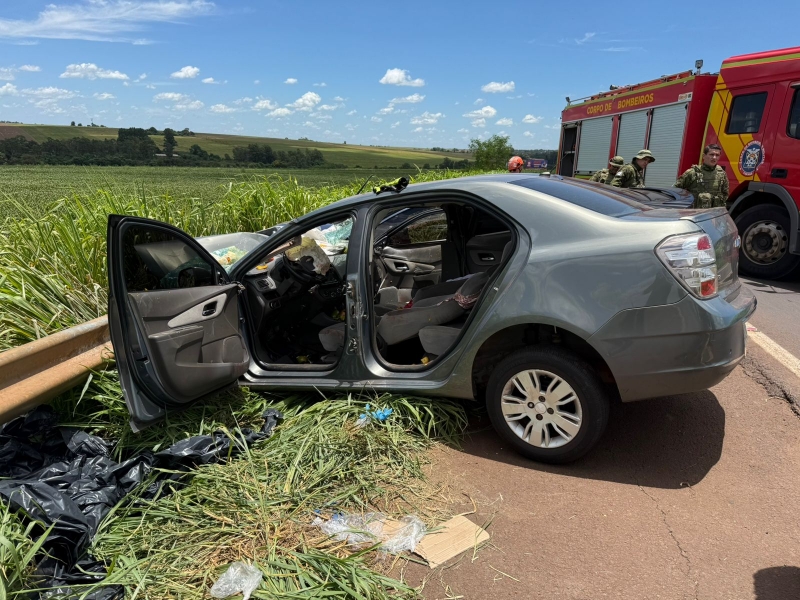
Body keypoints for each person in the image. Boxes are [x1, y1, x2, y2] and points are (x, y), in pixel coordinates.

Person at [674, 144, 729, 208]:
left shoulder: (722, 174)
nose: (714, 157)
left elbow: (725, 194)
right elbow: (675, 190)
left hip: (713, 212)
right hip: (694, 212)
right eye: (711, 154)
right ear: (704, 156)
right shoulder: (693, 172)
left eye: (717, 155)